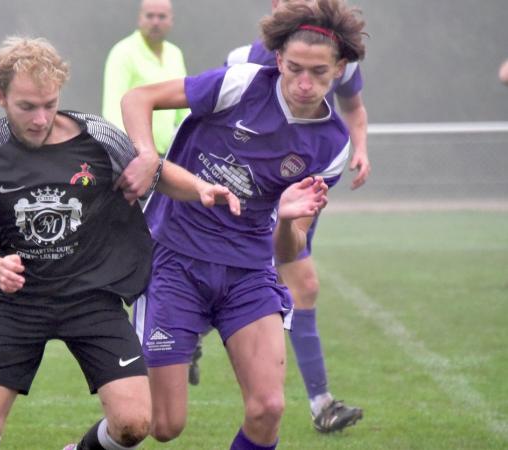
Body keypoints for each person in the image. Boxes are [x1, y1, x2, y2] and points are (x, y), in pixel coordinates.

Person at [0, 36, 242, 450]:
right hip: (21, 305)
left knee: (133, 424)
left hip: (93, 298)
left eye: (49, 104)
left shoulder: (98, 139)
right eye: (27, 107)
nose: (40, 118)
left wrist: (201, 189)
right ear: (0, 97)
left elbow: (152, 171)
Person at [120, 0, 367, 447]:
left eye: (319, 72)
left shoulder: (331, 145)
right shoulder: (241, 85)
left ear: (340, 69)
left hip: (249, 272)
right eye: (294, 69)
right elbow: (139, 98)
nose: (305, 83)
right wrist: (146, 155)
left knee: (268, 408)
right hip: (174, 260)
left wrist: (287, 219)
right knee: (162, 426)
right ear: (278, 60)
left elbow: (286, 252)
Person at [102, 0, 188, 156]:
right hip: (133, 155)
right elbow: (113, 109)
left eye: (162, 16)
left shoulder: (175, 54)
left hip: (167, 155)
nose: (155, 22)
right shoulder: (123, 52)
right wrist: (129, 151)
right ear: (140, 18)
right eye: (150, 16)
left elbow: (183, 107)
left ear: (171, 20)